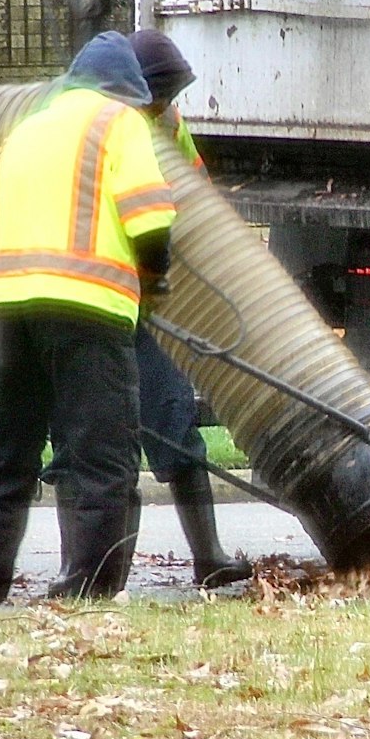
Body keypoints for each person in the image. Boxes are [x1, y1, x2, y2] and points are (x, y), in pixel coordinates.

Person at [0, 31, 177, 607]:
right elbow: (150, 218)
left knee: (7, 457)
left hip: (9, 307)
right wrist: (155, 278)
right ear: (126, 88)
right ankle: (91, 592)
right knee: (102, 458)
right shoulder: (118, 122)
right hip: (88, 308)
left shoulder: (26, 129)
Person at [126, 29, 254, 588]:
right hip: (103, 295)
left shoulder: (168, 124)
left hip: (150, 299)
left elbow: (196, 199)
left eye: (172, 97)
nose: (166, 107)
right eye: (160, 96)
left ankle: (208, 556)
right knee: (96, 441)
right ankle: (94, 572)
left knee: (173, 421)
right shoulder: (109, 126)